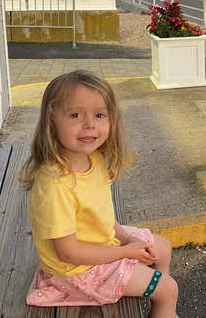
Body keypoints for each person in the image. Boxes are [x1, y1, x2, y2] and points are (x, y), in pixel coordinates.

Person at [19, 70, 178, 317]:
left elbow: (102, 217)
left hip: (100, 246)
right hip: (75, 272)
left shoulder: (93, 159)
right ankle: (160, 299)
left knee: (163, 248)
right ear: (52, 119)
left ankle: (150, 290)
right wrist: (125, 251)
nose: (90, 124)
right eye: (75, 115)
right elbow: (68, 253)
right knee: (168, 289)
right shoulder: (56, 185)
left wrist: (125, 238)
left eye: (99, 114)